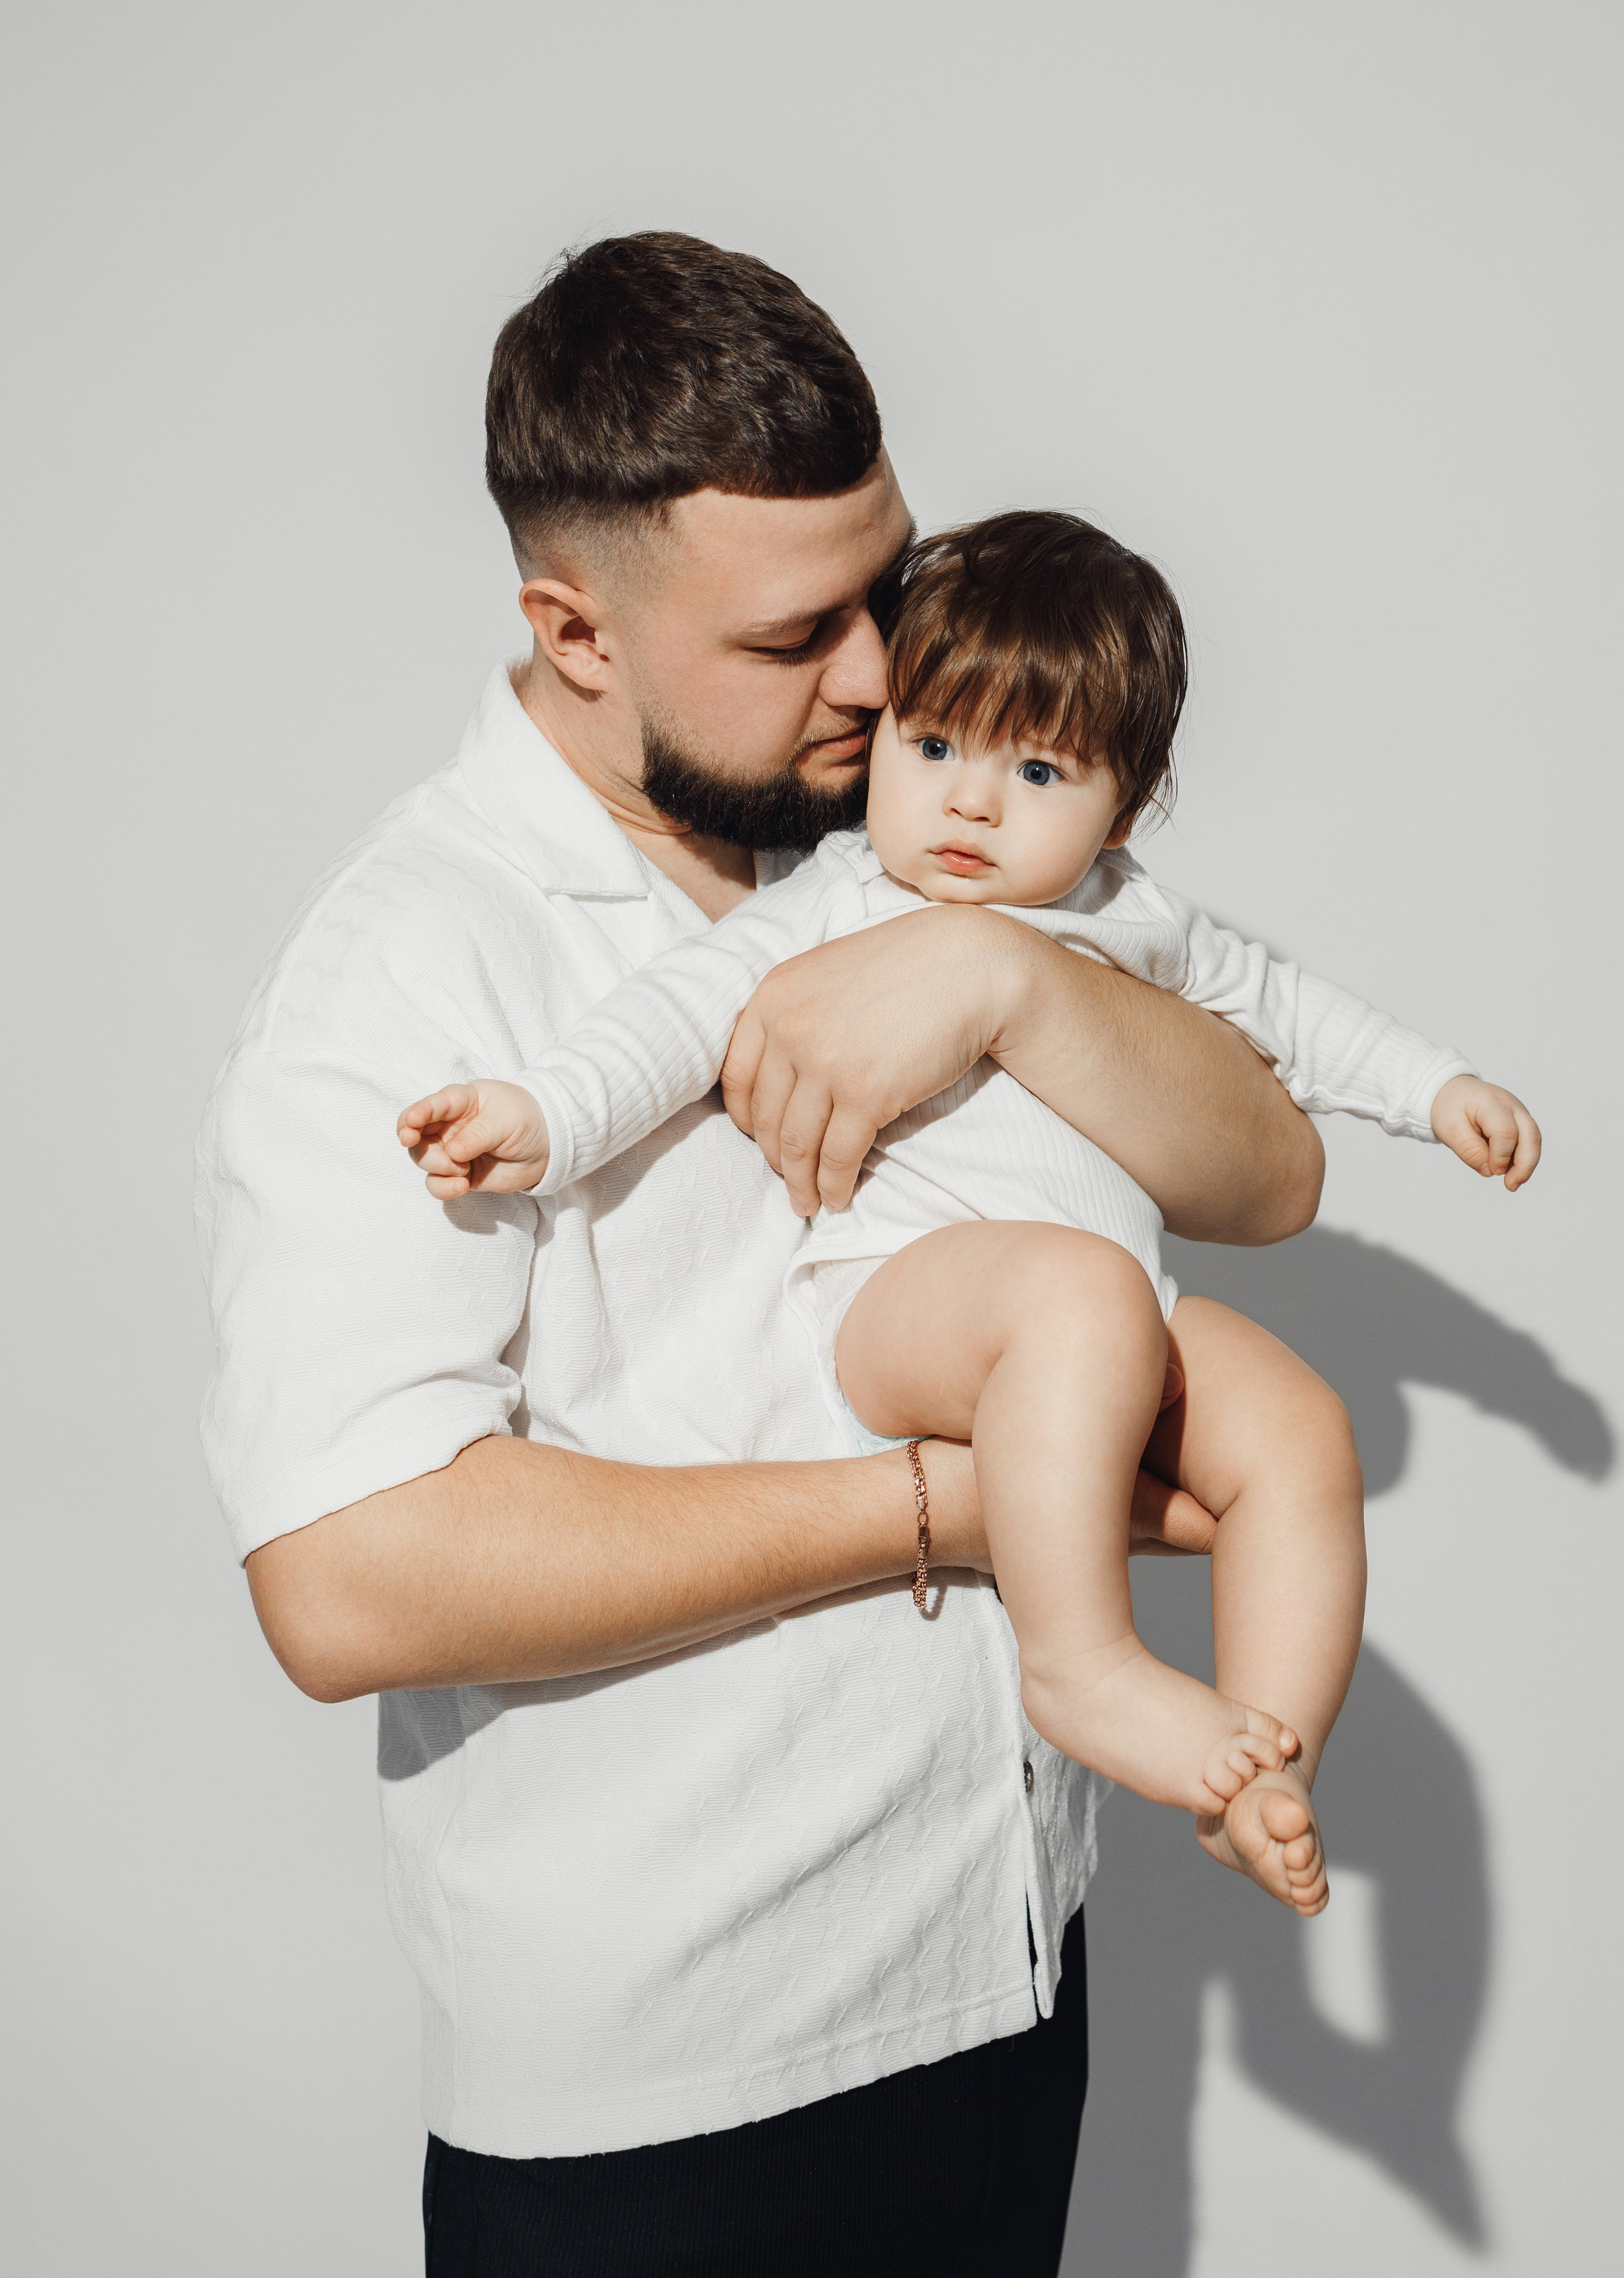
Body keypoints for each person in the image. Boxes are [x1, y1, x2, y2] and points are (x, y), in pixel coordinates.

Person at [199, 233, 1328, 2276]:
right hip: (669, 2094)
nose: (888, 676)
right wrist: (945, 1505)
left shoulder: (920, 839)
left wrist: (1001, 979)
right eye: (801, 632)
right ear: (574, 628)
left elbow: (1270, 1175)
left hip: (1000, 1968)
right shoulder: (415, 968)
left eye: (882, 589)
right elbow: (347, 1580)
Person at [398, 509, 1541, 1920]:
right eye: (930, 747)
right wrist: (545, 1113)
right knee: (1078, 1297)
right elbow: (672, 1016)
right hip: (907, 1297)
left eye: (1037, 770)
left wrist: (1435, 1090)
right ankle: (1083, 1665)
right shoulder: (835, 897)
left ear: (1121, 813)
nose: (966, 805)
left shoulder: (1137, 922)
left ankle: (1266, 1761)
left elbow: (1293, 1021)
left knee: (1296, 1423)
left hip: (1105, 1310)